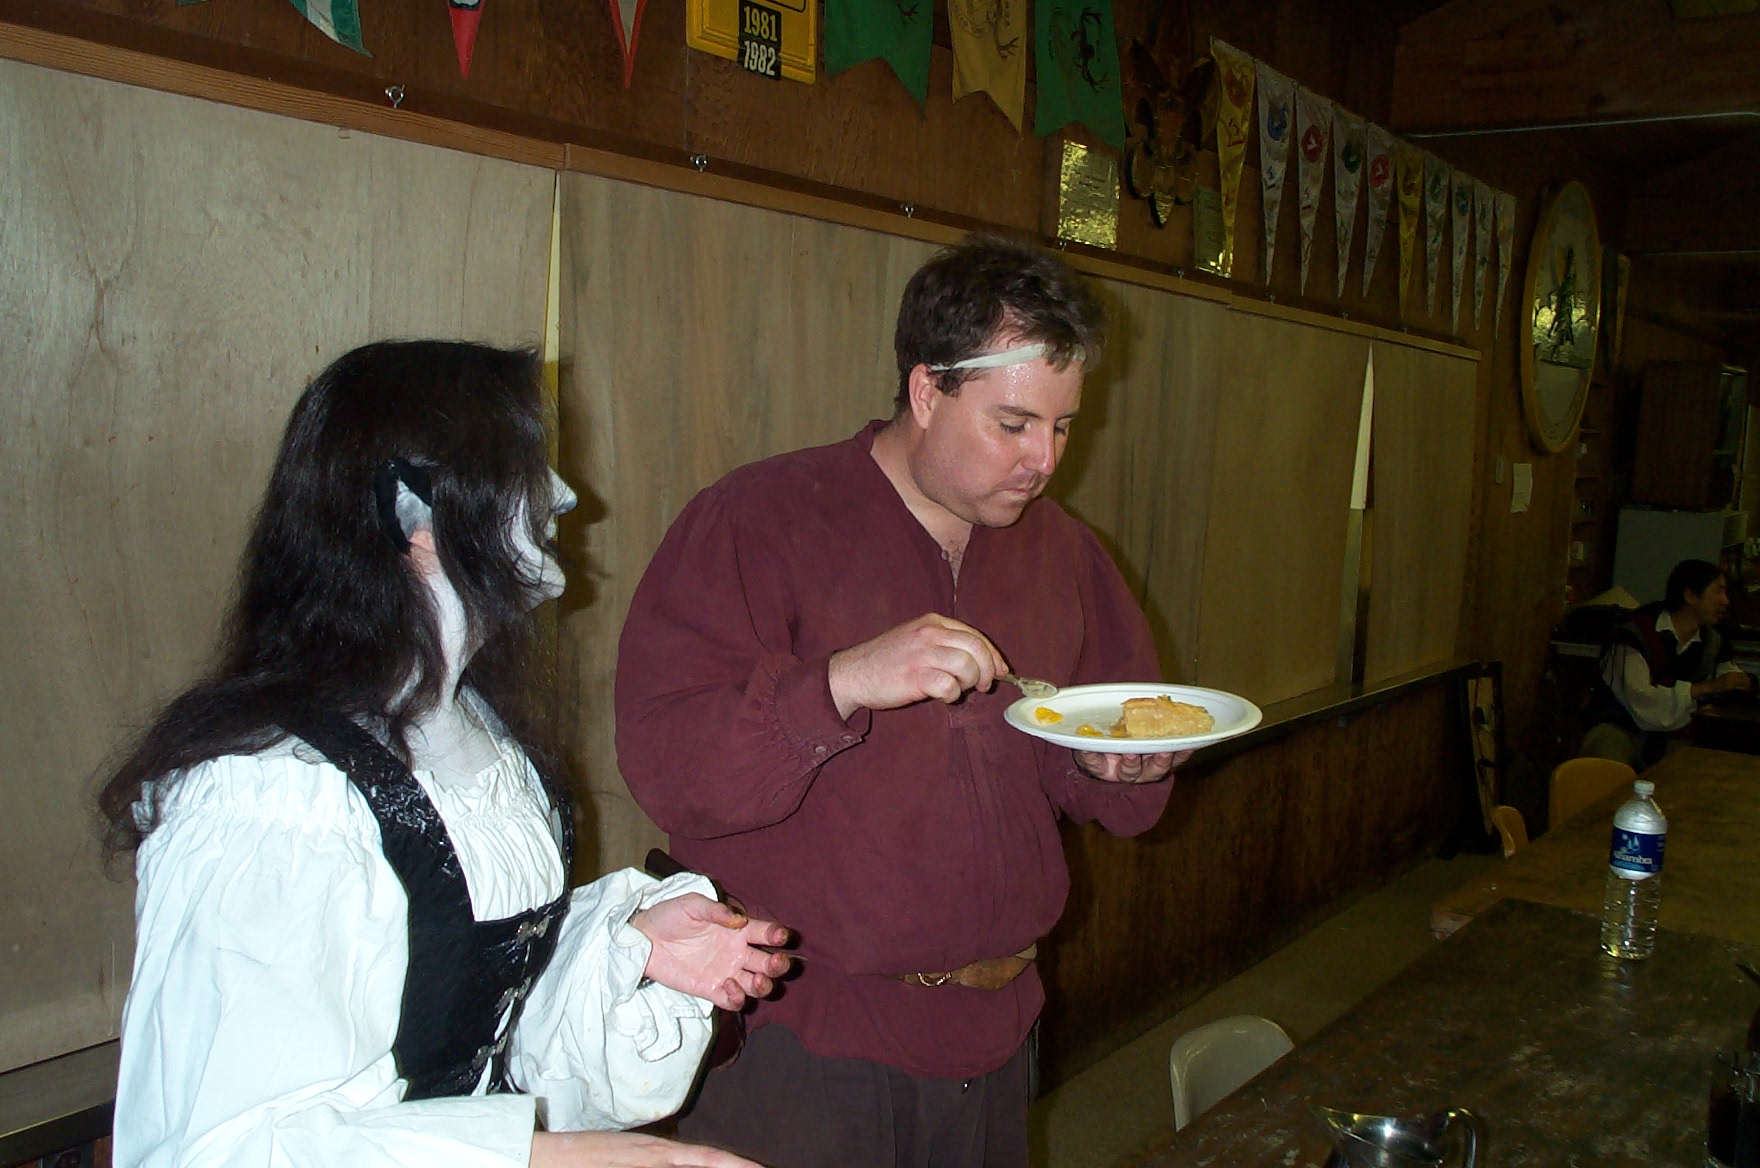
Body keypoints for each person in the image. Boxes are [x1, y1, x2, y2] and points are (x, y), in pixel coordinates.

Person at [99, 341, 791, 1168]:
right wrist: (591, 1159)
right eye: (519, 466)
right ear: (412, 513)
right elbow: (235, 1145)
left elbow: (464, 1001)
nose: (563, 495)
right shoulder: (273, 796)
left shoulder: (482, 740)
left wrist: (629, 950)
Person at [614, 234, 1185, 1167]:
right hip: (803, 1035)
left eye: (1063, 427)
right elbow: (669, 767)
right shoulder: (759, 521)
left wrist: (1118, 765)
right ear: (927, 391)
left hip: (998, 1025)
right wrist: (840, 683)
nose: (1044, 459)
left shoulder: (1063, 554)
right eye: (1013, 424)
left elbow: (1093, 767)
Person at [1581, 558, 1752, 769]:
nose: (1725, 601)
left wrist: (1739, 683)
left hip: (1673, 738)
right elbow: (1643, 700)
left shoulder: (1711, 642)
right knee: (1606, 756)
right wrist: (1707, 688)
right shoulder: (1634, 636)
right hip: (1621, 730)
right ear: (1690, 596)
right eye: (1719, 591)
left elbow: (1726, 675)